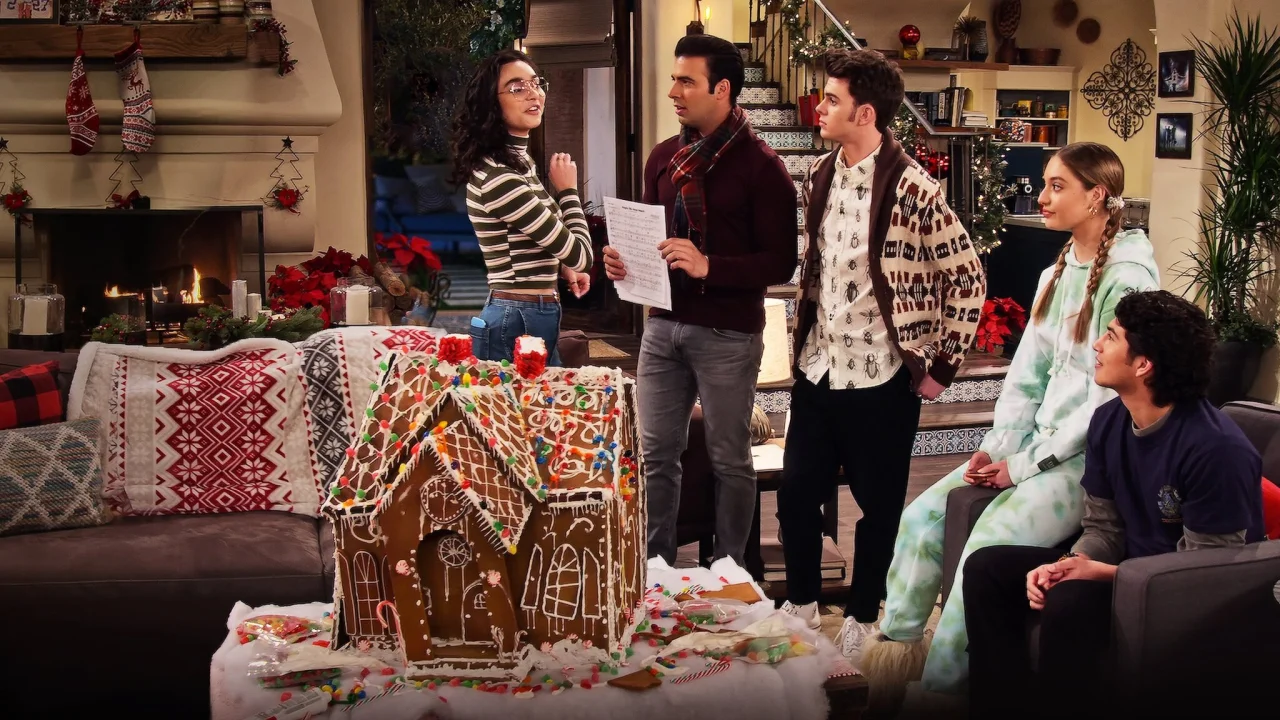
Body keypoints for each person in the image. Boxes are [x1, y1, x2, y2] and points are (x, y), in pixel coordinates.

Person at [858, 142, 1161, 707]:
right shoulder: (1054, 273)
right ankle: (893, 667)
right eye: (1044, 184)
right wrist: (998, 448)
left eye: (1056, 186)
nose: (1041, 197)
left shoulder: (1128, 279)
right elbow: (1027, 377)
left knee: (987, 542)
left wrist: (1023, 465)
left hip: (1088, 460)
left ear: (1096, 196)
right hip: (1034, 446)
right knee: (919, 519)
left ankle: (941, 693)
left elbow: (1107, 403)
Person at [773, 48, 986, 656]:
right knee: (796, 493)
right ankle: (801, 603)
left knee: (879, 505)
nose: (819, 107)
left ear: (865, 113)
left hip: (884, 377)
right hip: (819, 368)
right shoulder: (819, 174)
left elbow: (967, 277)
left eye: (831, 99)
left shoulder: (915, 188)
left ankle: (864, 612)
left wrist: (941, 367)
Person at [963, 290, 1265, 717]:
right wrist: (1068, 564)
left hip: (1184, 593)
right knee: (987, 568)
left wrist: (1101, 574)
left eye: (1111, 336)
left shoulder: (1216, 449)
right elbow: (1103, 528)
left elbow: (1203, 569)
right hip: (1125, 570)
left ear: (1143, 365)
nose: (1097, 345)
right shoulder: (1108, 422)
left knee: (1070, 602)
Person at [602, 34, 797, 568]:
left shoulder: (764, 168)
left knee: (730, 459)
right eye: (674, 79)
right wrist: (624, 262)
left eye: (686, 81)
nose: (673, 92)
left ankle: (731, 571)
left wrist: (711, 266)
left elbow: (781, 262)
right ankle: (654, 569)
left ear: (722, 89)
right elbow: (650, 236)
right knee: (654, 456)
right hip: (662, 328)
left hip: (728, 333)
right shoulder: (663, 157)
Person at [452, 48, 593, 365]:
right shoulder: (501, 178)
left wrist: (562, 267)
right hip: (516, 318)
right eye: (517, 88)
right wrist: (569, 191)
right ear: (492, 104)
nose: (534, 93)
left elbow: (533, 238)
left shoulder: (518, 164)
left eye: (536, 83)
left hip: (530, 312)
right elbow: (582, 256)